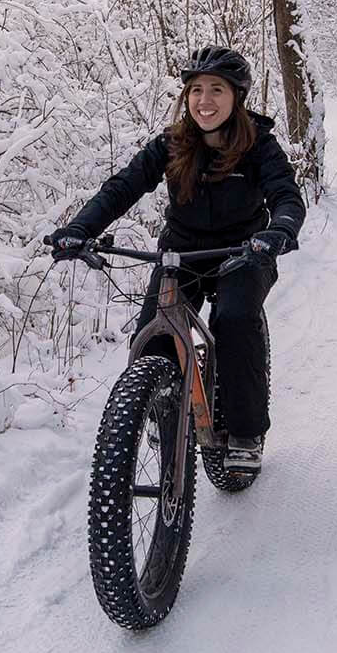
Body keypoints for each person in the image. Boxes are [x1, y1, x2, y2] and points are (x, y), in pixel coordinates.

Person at [48, 46, 306, 473]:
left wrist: (278, 231)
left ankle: (245, 430)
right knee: (155, 332)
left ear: (237, 96)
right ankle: (161, 401)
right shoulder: (171, 145)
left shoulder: (259, 145)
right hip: (181, 253)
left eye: (217, 90)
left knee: (236, 320)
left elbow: (286, 196)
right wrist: (80, 229)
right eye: (196, 90)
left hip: (244, 253)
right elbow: (123, 187)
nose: (205, 101)